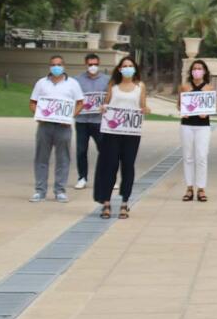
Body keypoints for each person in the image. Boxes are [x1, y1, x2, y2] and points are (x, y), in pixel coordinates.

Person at [95, 57, 150, 219]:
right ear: (119, 69)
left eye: (130, 66)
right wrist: (103, 109)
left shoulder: (140, 86)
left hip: (131, 133)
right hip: (112, 133)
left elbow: (142, 105)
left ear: (135, 69)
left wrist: (146, 109)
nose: (127, 68)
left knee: (128, 166)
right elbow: (106, 104)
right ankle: (106, 202)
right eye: (124, 66)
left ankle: (125, 202)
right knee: (109, 166)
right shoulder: (113, 86)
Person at [29, 55, 84, 203]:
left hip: (63, 127)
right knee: (41, 158)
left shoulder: (72, 83)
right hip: (44, 126)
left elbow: (80, 103)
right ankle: (40, 191)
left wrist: (70, 116)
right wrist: (39, 114)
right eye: (53, 64)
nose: (56, 67)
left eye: (59, 64)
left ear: (64, 66)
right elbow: (33, 103)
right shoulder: (41, 83)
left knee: (63, 159)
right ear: (49, 66)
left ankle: (60, 191)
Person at [178, 59, 215, 203]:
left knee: (201, 156)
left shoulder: (209, 88)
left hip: (203, 125)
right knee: (188, 156)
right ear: (191, 71)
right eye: (194, 68)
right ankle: (189, 187)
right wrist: (183, 111)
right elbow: (179, 105)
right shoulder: (185, 87)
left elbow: (212, 107)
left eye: (199, 68)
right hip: (187, 124)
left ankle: (201, 188)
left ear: (204, 71)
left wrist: (206, 113)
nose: (197, 71)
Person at [73, 53, 109, 191]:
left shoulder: (107, 80)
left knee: (104, 150)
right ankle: (82, 177)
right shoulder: (77, 80)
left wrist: (106, 105)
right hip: (82, 120)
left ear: (99, 64)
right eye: (90, 64)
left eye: (95, 64)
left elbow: (110, 97)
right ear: (85, 64)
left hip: (99, 121)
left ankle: (107, 176)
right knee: (81, 150)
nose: (93, 67)